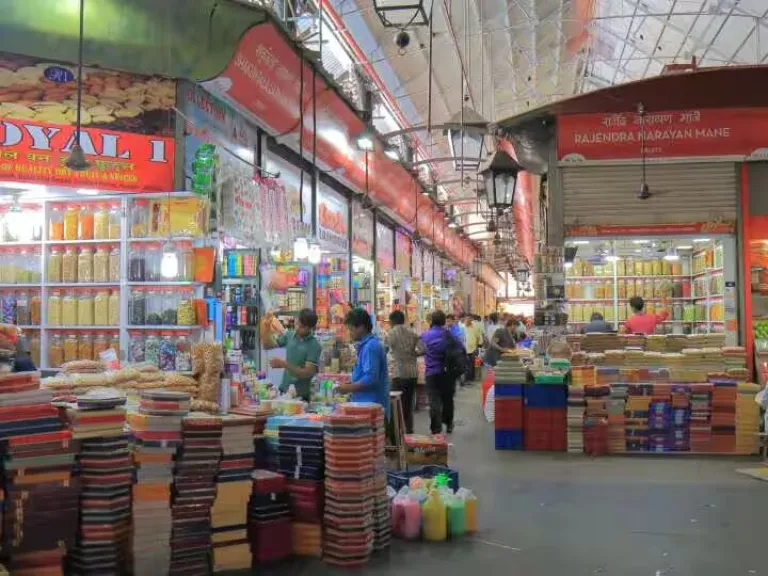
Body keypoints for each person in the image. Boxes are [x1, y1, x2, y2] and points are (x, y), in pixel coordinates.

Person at [262, 308, 322, 402]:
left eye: (301, 326)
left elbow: (307, 373)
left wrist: (284, 364)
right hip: (284, 391)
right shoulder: (290, 335)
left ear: (310, 328)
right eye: (296, 324)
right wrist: (266, 327)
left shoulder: (314, 345)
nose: (297, 328)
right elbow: (267, 345)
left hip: (301, 397)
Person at [338, 308, 390, 413]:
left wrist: (348, 388)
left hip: (371, 405)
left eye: (351, 329)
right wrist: (351, 382)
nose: (350, 333)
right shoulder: (366, 345)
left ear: (361, 327)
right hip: (365, 404)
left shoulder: (371, 347)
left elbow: (371, 378)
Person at [420, 310, 463, 434]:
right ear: (444, 321)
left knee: (434, 401)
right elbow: (461, 349)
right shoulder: (450, 336)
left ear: (431, 321)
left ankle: (436, 428)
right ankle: (449, 423)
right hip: (448, 373)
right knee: (448, 399)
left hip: (432, 374)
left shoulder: (425, 335)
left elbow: (419, 348)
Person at [384, 310, 423, 434]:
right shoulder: (412, 333)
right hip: (412, 373)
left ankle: (397, 433)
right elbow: (425, 349)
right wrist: (413, 354)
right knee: (408, 404)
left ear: (392, 321)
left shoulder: (391, 334)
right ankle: (409, 431)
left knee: (395, 405)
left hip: (398, 373)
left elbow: (384, 350)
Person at [463, 315, 483, 382]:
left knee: (473, 364)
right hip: (465, 349)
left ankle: (472, 378)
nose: (467, 321)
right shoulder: (463, 327)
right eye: (466, 319)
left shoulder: (475, 327)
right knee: (467, 364)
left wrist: (477, 347)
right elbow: (463, 338)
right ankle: (467, 378)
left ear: (471, 320)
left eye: (468, 319)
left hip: (473, 349)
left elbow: (478, 337)